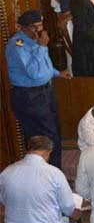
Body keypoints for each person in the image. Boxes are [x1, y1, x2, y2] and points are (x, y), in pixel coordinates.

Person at [5, 10, 71, 168]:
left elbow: (43, 65)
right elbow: (34, 73)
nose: (38, 30)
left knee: (54, 132)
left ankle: (54, 170)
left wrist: (56, 73)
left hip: (46, 92)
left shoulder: (36, 38)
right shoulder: (18, 44)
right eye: (33, 27)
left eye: (40, 26)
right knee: (45, 137)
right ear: (22, 27)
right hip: (30, 96)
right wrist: (41, 47)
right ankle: (52, 174)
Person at [0, 136, 74, 223]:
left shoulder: (7, 172)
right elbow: (68, 206)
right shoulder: (54, 173)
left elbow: (4, 200)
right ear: (48, 152)